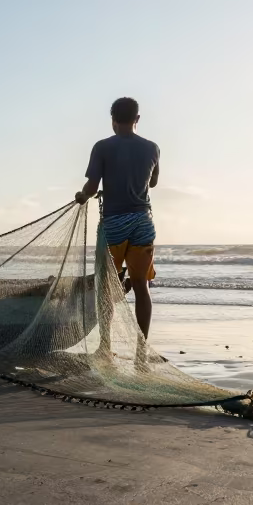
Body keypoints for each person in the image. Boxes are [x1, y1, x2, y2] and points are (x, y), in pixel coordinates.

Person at [74, 97, 159, 340]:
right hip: (143, 223)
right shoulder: (153, 148)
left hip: (113, 225)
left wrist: (82, 195)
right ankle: (141, 349)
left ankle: (105, 345)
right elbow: (152, 182)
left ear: (113, 120)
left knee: (106, 287)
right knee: (141, 286)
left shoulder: (102, 147)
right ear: (137, 119)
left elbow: (91, 187)